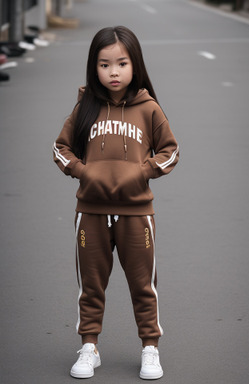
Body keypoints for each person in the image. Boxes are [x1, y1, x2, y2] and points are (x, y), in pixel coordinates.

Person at [53, 26, 179, 380]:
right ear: (94, 67)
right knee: (91, 285)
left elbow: (170, 151)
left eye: (121, 63)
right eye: (104, 64)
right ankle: (89, 347)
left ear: (134, 65)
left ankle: (150, 348)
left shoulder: (148, 108)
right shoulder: (85, 107)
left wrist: (142, 172)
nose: (113, 71)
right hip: (90, 213)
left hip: (137, 214)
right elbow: (60, 149)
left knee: (143, 285)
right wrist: (82, 171)